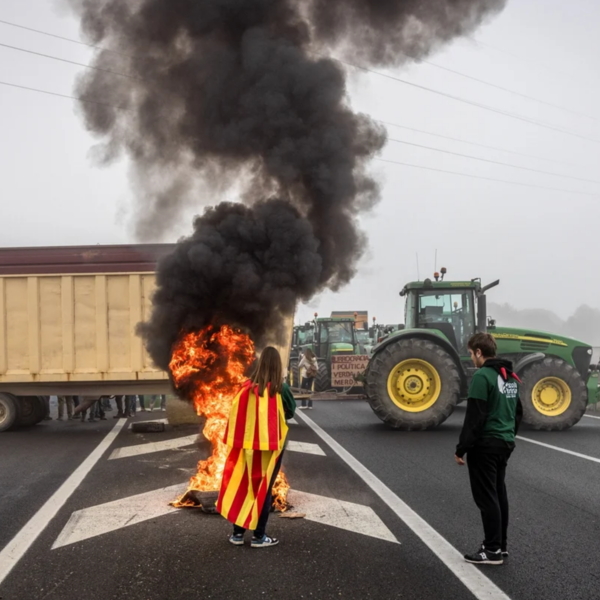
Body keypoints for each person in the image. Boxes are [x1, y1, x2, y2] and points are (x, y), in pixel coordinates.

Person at [217, 347, 295, 548]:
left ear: (259, 365)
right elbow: (291, 411)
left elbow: (237, 415)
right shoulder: (281, 389)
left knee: (244, 487)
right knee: (264, 489)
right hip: (271, 447)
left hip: (246, 445)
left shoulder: (245, 388)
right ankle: (259, 537)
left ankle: (237, 533)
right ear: (278, 367)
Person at [455, 332, 523, 565]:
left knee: (487, 498)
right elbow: (518, 414)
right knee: (498, 494)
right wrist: (508, 436)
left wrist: (461, 448)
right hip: (504, 444)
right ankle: (500, 545)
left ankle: (491, 549)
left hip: (485, 445)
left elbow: (475, 417)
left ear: (479, 352)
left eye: (471, 353)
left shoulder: (483, 376)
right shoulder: (511, 377)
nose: (471, 357)